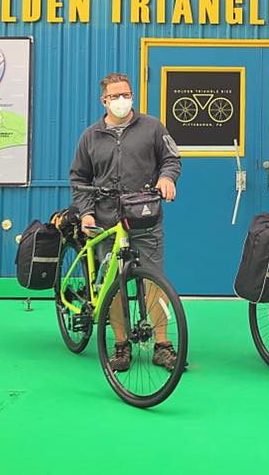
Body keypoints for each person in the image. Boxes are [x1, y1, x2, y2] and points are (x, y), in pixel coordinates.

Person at [69, 72, 182, 372]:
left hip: (145, 217)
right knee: (114, 284)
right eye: (115, 96)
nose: (122, 101)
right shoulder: (90, 137)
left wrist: (166, 178)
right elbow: (79, 179)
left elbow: (172, 159)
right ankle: (121, 345)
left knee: (154, 281)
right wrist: (86, 212)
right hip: (106, 221)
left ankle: (163, 344)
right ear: (103, 100)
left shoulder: (153, 127)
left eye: (126, 94)